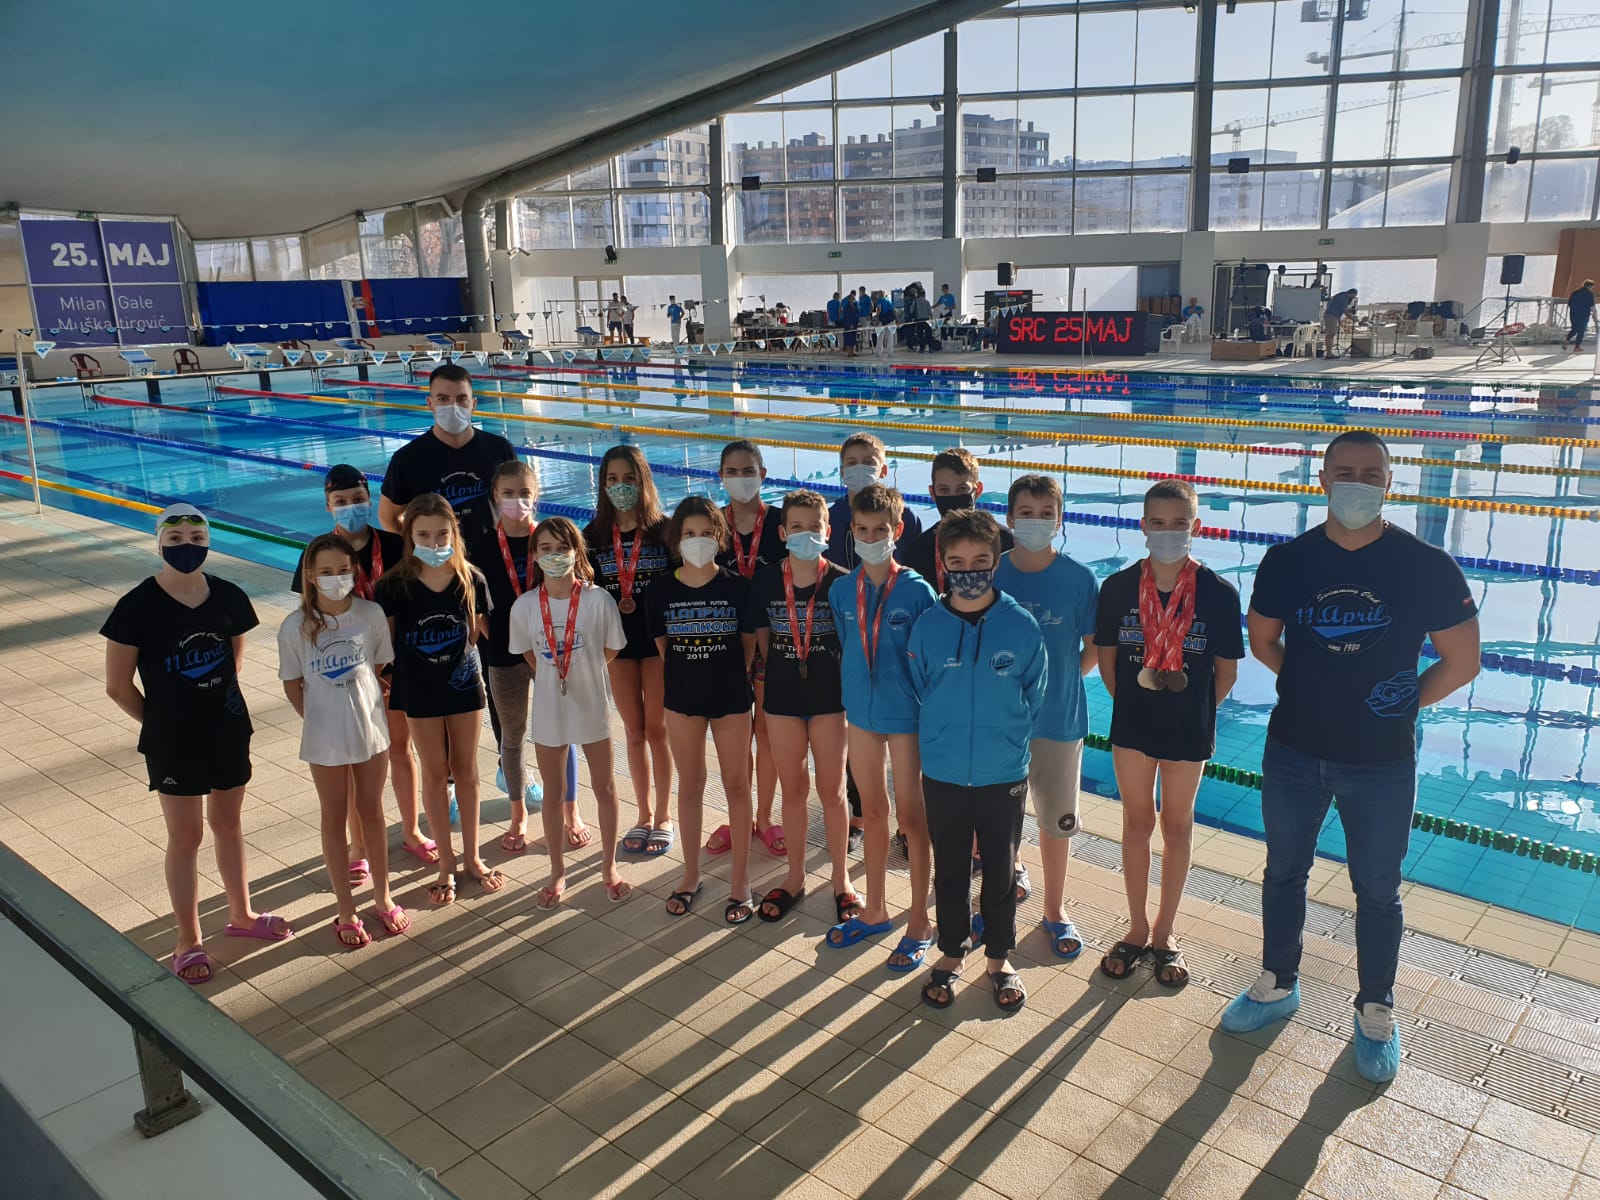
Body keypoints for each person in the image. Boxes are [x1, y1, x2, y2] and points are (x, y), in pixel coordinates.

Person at [1222, 430, 1480, 1083]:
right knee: (1284, 873)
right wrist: (1310, 686)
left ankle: (1375, 1009)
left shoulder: (1426, 565)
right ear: (1323, 480)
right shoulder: (1288, 560)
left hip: (1382, 760)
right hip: (1294, 750)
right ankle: (1278, 983)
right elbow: (1263, 641)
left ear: (1389, 483)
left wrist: (1405, 701)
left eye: (1370, 473)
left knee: (1378, 891)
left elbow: (1463, 660)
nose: (1356, 483)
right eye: (1345, 472)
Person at [102, 504, 292, 985]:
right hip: (173, 742)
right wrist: (162, 722)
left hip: (227, 729)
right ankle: (187, 940)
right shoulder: (136, 607)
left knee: (228, 824)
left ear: (208, 541)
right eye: (175, 538)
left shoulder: (229, 596)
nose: (186, 546)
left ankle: (242, 915)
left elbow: (234, 662)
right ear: (158, 542)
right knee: (186, 838)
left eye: (196, 537)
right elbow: (118, 686)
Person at [1095, 480, 1242, 989]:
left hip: (1188, 729)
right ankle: (1136, 927)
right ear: (1143, 526)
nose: (1168, 532)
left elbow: (1227, 673)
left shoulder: (1218, 594)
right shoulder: (1117, 588)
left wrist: (1191, 711)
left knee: (1177, 826)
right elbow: (1109, 664)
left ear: (1196, 527)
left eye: (1179, 524)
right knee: (1137, 822)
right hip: (1133, 725)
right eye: (1157, 523)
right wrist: (1138, 706)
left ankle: (1165, 931)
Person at [908, 510, 1046, 1013]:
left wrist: (1007, 740)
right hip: (944, 769)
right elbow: (921, 687)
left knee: (1001, 870)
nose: (970, 571)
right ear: (943, 564)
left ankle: (999, 958)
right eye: (958, 562)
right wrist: (942, 736)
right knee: (949, 868)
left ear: (995, 562)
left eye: (980, 561)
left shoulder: (1020, 625)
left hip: (1002, 770)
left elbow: (1035, 693)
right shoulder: (928, 626)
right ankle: (951, 951)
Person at [291, 464, 436, 871]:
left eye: (357, 499)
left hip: (395, 664)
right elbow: (307, 615)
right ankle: (358, 846)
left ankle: (411, 830)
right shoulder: (318, 553)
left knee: (401, 749)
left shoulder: (393, 544)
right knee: (355, 760)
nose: (350, 507)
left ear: (369, 499)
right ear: (328, 506)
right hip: (347, 671)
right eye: (341, 502)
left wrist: (388, 666)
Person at [278, 533, 408, 948]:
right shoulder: (296, 626)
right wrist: (319, 717)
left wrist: (357, 705)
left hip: (370, 730)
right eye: (326, 572)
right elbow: (292, 683)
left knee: (372, 812)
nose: (336, 578)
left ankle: (383, 895)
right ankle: (346, 909)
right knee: (334, 817)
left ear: (354, 571)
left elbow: (379, 666)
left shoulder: (370, 614)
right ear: (310, 576)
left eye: (343, 570)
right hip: (324, 737)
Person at [376, 494, 503, 905]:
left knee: (466, 770)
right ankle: (446, 864)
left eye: (442, 534)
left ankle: (473, 858)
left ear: (454, 533)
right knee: (434, 774)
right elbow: (384, 644)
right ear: (409, 537)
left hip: (463, 684)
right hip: (418, 688)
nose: (434, 542)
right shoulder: (393, 585)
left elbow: (481, 632)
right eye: (424, 535)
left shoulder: (471, 579)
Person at [831, 484, 938, 970]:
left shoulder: (917, 591)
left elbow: (929, 657)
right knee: (873, 811)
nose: (871, 538)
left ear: (896, 531)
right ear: (851, 531)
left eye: (880, 530)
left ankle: (919, 920)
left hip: (907, 717)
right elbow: (848, 647)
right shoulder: (841, 590)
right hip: (861, 715)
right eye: (862, 529)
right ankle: (875, 909)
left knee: (912, 818)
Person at [993, 475, 1098, 961]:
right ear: (1010, 518)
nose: (1035, 521)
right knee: (1000, 821)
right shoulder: (992, 572)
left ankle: (1054, 910)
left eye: (1045, 513)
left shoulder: (1079, 579)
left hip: (1058, 719)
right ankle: (1003, 892)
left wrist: (1057, 683)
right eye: (1026, 513)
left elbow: (1092, 648)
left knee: (1057, 822)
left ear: (1059, 520)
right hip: (1001, 721)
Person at [507, 517, 632, 908]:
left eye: (562, 548)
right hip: (550, 708)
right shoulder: (525, 606)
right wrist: (558, 672)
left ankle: (609, 867)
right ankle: (557, 871)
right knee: (554, 793)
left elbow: (611, 649)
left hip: (592, 704)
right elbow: (529, 655)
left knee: (605, 787)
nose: (555, 555)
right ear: (534, 555)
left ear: (577, 552)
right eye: (546, 548)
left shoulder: (598, 600)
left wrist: (583, 669)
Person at [744, 491, 853, 933]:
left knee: (833, 791)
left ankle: (842, 878)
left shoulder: (842, 583)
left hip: (829, 701)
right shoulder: (766, 582)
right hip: (784, 701)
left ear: (828, 531)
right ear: (783, 532)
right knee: (793, 790)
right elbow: (763, 643)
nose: (806, 533)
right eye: (797, 527)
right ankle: (795, 875)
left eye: (815, 526)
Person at [466, 461, 586, 855]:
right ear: (495, 497)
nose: (516, 500)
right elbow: (475, 606)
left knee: (563, 731)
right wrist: (505, 640)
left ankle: (570, 809)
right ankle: (518, 813)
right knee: (512, 736)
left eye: (524, 493)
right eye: (508, 493)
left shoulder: (548, 541)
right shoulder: (481, 546)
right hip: (502, 653)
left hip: (551, 653)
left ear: (536, 497)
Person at [646, 497, 756, 921]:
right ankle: (690, 875)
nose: (698, 540)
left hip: (731, 699)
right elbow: (664, 648)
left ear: (720, 536)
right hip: (682, 699)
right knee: (690, 785)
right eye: (689, 533)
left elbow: (747, 648)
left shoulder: (738, 588)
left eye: (706, 533)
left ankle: (741, 880)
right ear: (676, 539)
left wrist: (718, 673)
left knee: (737, 785)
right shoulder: (660, 591)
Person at [585, 445, 675, 857]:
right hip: (615, 647)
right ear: (603, 485)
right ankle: (643, 813)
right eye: (612, 480)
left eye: (629, 479)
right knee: (634, 732)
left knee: (658, 730)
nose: (620, 487)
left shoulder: (665, 531)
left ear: (643, 482)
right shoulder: (593, 537)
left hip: (657, 645)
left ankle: (664, 815)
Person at [714, 440, 786, 861]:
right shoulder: (711, 524)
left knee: (766, 735)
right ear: (720, 477)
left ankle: (765, 815)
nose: (740, 478)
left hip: (774, 642)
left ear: (763, 474)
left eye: (748, 470)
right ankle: (736, 816)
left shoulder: (780, 523)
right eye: (732, 471)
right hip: (725, 644)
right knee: (735, 737)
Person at [379, 364, 518, 546]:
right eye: (443, 399)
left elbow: (519, 501)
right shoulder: (407, 459)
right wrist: (418, 548)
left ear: (473, 404)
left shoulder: (499, 449)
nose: (453, 407)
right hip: (438, 559)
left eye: (461, 399)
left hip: (495, 557)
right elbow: (389, 517)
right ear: (430, 403)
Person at [903, 447, 1014, 597]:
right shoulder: (919, 551)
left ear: (978, 490)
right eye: (944, 490)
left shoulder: (1004, 542)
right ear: (932, 493)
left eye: (962, 489)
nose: (953, 497)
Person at [825, 433, 924, 570]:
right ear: (842, 473)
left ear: (883, 470)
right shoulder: (829, 519)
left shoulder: (905, 517)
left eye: (868, 463)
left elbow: (917, 568)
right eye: (852, 463)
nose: (859, 468)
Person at [1321, 287, 1358, 356]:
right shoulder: (1344, 297)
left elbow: (1341, 307)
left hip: (1331, 315)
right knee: (1330, 334)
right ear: (1353, 294)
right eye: (1354, 296)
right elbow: (1345, 310)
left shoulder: (1342, 295)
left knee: (1331, 334)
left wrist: (1351, 311)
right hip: (1332, 316)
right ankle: (1329, 354)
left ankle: (1329, 353)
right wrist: (1352, 318)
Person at [1567, 279, 1595, 353]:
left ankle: (1567, 340)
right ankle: (1577, 347)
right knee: (1581, 330)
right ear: (1589, 286)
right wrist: (1594, 314)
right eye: (1592, 287)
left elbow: (1569, 303)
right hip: (1583, 315)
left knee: (1575, 328)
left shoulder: (1575, 292)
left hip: (1573, 313)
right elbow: (1592, 306)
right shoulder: (1589, 294)